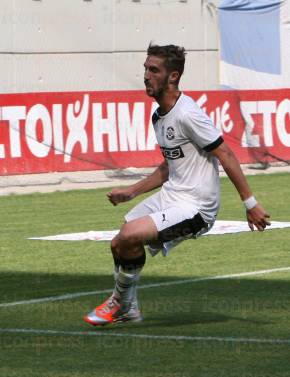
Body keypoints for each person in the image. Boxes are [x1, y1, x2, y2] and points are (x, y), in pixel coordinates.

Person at [84, 44, 271, 326]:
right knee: (118, 244)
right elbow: (169, 167)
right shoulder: (159, 116)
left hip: (197, 208)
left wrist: (250, 204)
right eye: (145, 69)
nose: (146, 76)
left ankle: (118, 302)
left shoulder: (188, 114)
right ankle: (129, 309)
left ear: (173, 77)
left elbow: (225, 153)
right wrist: (131, 192)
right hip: (173, 196)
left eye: (153, 70)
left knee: (129, 236)